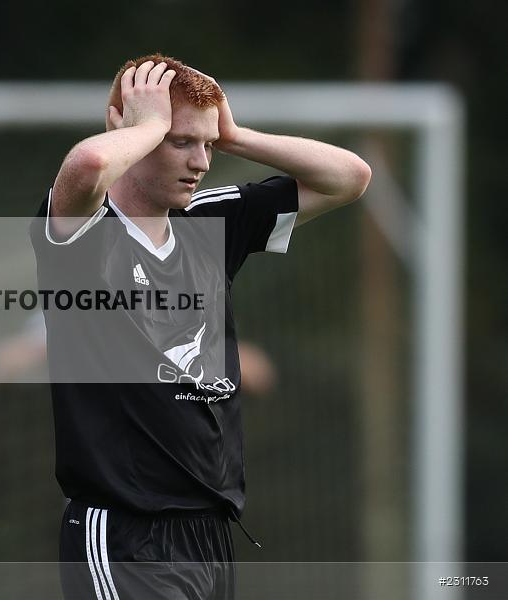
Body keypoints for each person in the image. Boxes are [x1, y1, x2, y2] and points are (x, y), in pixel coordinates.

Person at [29, 54, 371, 599]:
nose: (201, 162)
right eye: (179, 141)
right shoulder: (82, 233)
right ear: (125, 126)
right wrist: (146, 127)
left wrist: (234, 136)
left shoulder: (210, 225)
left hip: (210, 533)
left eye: (206, 145)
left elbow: (349, 178)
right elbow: (90, 165)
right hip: (124, 532)